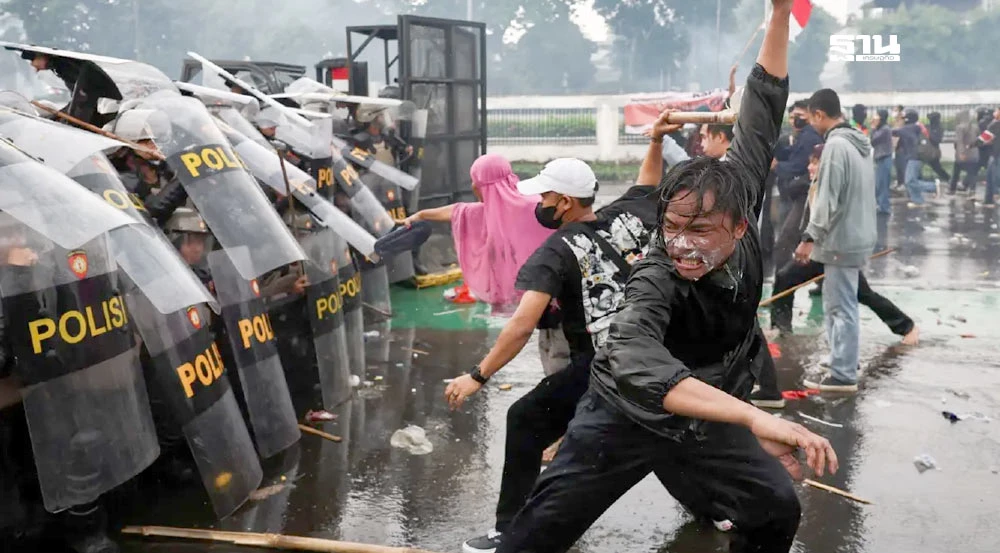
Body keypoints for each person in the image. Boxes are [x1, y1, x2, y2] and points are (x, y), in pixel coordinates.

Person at [492, 5, 839, 553]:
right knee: (532, 539)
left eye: (699, 230)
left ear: (740, 225)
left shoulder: (740, 188)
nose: (681, 243)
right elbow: (637, 360)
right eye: (671, 227)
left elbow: (764, 101)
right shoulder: (656, 276)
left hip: (707, 412)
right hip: (623, 415)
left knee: (776, 510)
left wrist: (777, 13)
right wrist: (755, 420)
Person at [448, 157, 651, 553]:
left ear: (564, 202)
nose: (539, 204)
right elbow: (648, 183)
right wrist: (656, 140)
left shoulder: (556, 251)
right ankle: (720, 509)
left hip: (602, 367)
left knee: (524, 419)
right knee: (669, 440)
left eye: (545, 197)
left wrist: (477, 375)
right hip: (649, 351)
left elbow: (522, 325)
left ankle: (509, 530)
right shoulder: (623, 218)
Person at [757, 145, 919, 407]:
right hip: (819, 254)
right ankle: (781, 328)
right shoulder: (814, 185)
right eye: (810, 162)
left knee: (862, 294)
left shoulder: (834, 189)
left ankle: (907, 326)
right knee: (785, 278)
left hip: (837, 254)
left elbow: (831, 221)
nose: (810, 167)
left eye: (816, 163)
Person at [794, 88, 877, 392]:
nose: (809, 125)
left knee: (841, 307)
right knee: (837, 303)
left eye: (810, 118)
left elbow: (827, 198)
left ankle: (843, 374)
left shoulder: (836, 146)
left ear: (819, 114)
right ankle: (841, 357)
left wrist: (809, 237)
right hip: (856, 234)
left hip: (841, 238)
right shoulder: (859, 143)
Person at [402, 154, 553, 308]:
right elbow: (457, 211)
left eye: (475, 182)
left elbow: (457, 211)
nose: (473, 186)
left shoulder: (534, 207)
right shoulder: (537, 204)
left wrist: (420, 215)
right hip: (544, 291)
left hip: (534, 295)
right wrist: (421, 215)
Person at [108, 109, 188, 227]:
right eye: (145, 140)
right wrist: (184, 177)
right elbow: (149, 213)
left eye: (157, 138)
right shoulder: (119, 175)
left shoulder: (167, 167)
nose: (153, 144)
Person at [892, 109, 939, 207]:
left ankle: (933, 186)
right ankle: (917, 200)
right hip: (917, 157)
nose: (903, 120)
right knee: (911, 180)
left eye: (904, 118)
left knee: (909, 181)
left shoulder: (908, 128)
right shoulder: (916, 127)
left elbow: (893, 132)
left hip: (914, 157)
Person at [950, 109, 981, 196]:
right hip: (974, 153)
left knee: (956, 172)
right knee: (972, 173)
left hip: (963, 154)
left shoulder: (960, 127)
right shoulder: (975, 127)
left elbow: (959, 142)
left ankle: (952, 189)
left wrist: (961, 153)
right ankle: (972, 190)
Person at [975, 107, 1000, 208]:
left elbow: (984, 139)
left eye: (997, 111)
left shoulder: (995, 124)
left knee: (994, 177)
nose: (995, 112)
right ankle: (988, 200)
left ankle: (993, 198)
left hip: (996, 154)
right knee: (990, 176)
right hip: (994, 154)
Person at [870, 109, 894, 214]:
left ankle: (884, 207)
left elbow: (873, 140)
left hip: (884, 158)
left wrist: (873, 128)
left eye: (877, 116)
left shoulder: (885, 129)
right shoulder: (882, 129)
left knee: (883, 183)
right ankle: (881, 205)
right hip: (881, 158)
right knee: (879, 183)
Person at [924, 112, 950, 182]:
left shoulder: (939, 128)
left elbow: (937, 140)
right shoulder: (927, 126)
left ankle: (948, 179)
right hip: (924, 149)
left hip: (933, 151)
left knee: (937, 167)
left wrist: (928, 134)